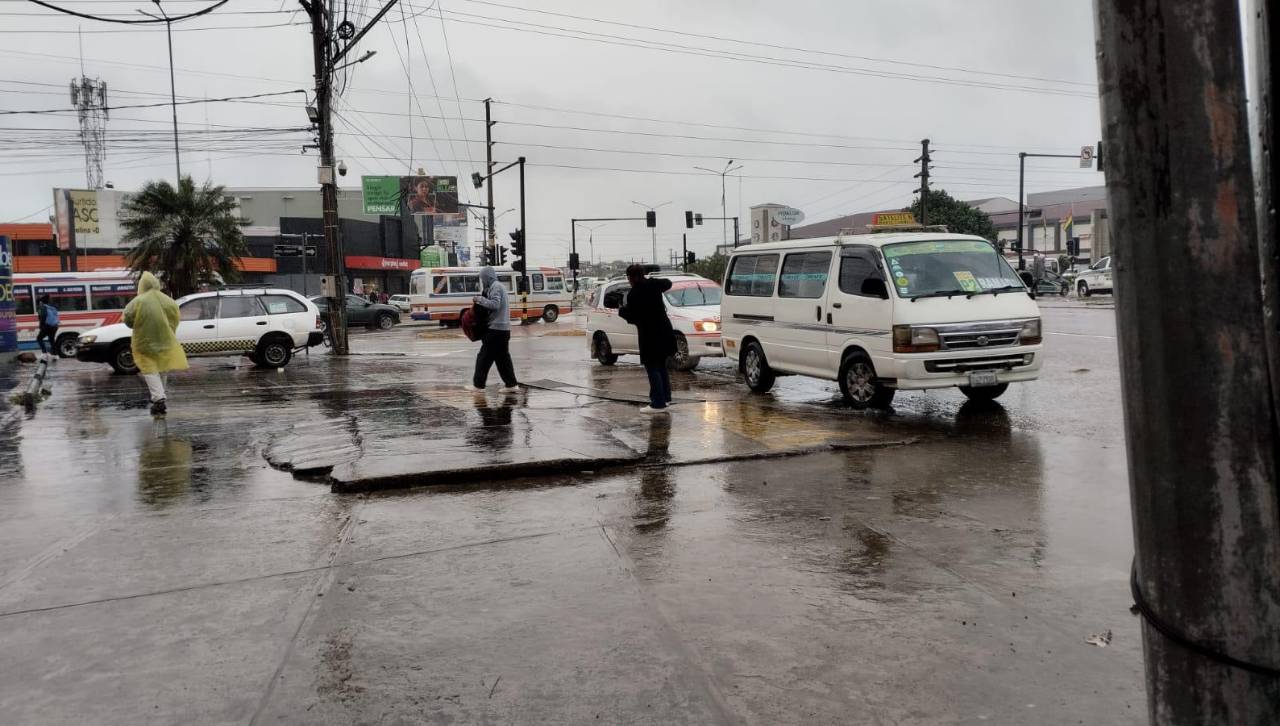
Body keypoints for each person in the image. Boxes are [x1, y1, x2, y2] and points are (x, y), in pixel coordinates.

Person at [122, 272, 188, 416]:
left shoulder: (138, 301)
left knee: (149, 369)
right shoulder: (168, 300)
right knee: (162, 368)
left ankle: (158, 399)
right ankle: (160, 398)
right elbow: (176, 316)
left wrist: (137, 324)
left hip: (144, 341)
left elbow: (127, 318)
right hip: (165, 340)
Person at [618, 265, 675, 413]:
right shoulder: (653, 285)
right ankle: (666, 398)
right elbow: (668, 283)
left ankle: (657, 403)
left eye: (629, 278)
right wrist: (650, 280)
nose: (629, 281)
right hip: (664, 330)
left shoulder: (634, 294)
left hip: (649, 334)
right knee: (661, 365)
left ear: (633, 277)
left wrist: (621, 311)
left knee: (652, 367)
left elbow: (633, 317)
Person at [471, 266, 519, 391]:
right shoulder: (497, 286)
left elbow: (495, 304)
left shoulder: (496, 287)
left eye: (483, 278)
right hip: (503, 330)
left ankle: (478, 385)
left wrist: (479, 299)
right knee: (502, 359)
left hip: (495, 330)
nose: (483, 281)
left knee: (484, 358)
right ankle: (511, 384)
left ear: (488, 277)